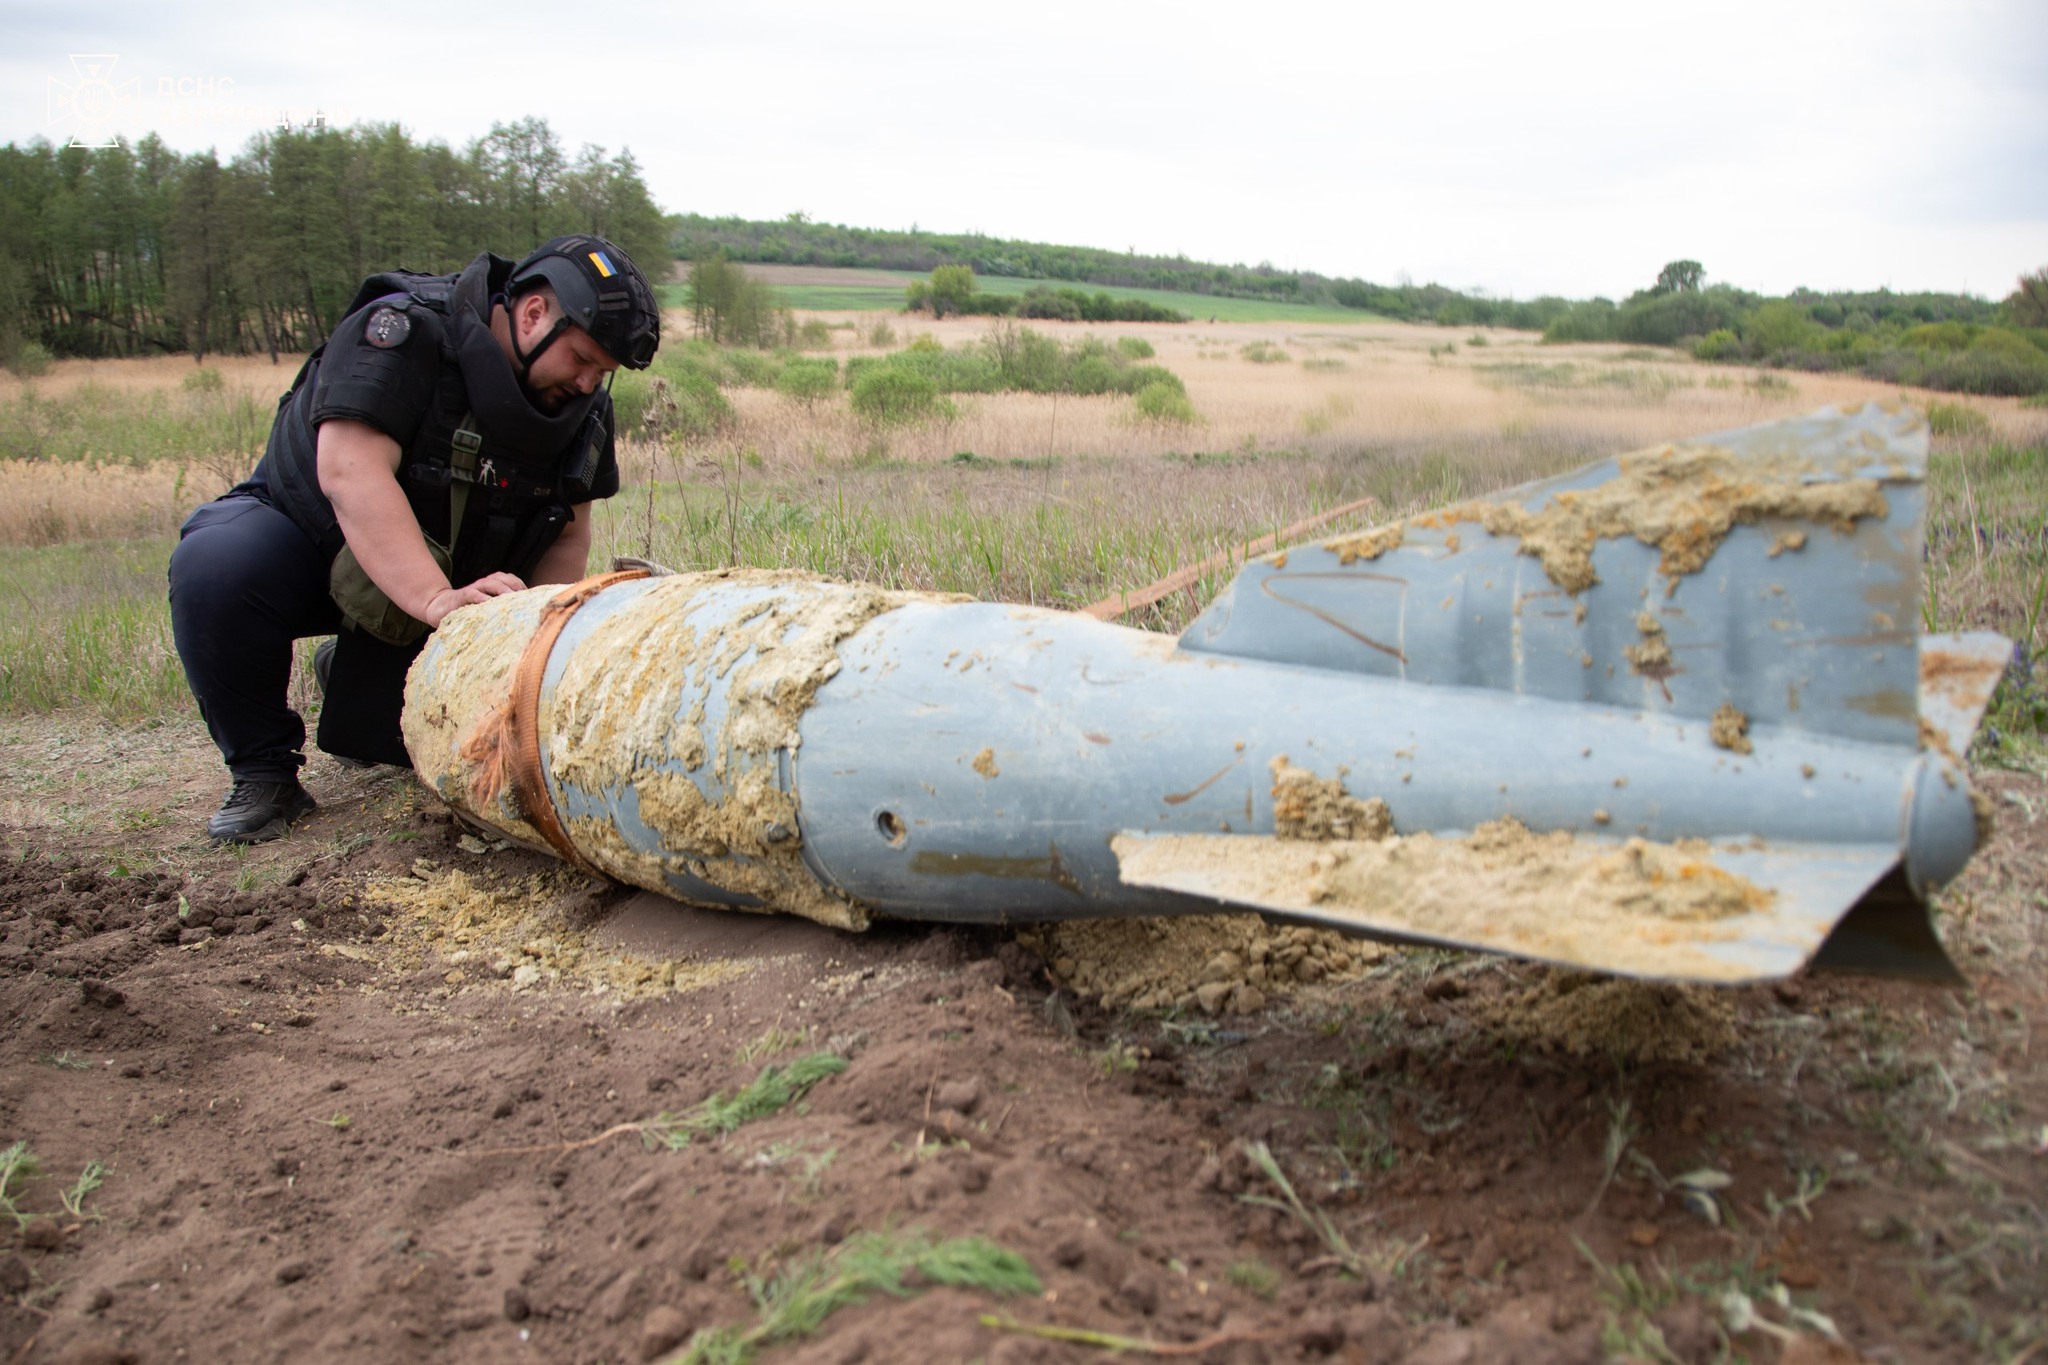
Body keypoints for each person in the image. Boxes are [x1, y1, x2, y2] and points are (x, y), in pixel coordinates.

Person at [168, 234, 661, 843]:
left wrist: (530, 646)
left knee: (404, 747)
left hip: (454, 586)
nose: (587, 383)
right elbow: (350, 472)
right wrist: (433, 600)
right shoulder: (403, 332)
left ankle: (354, 670)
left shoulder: (582, 411)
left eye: (602, 373)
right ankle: (264, 772)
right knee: (217, 565)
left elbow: (567, 534)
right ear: (535, 314)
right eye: (582, 359)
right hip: (317, 547)